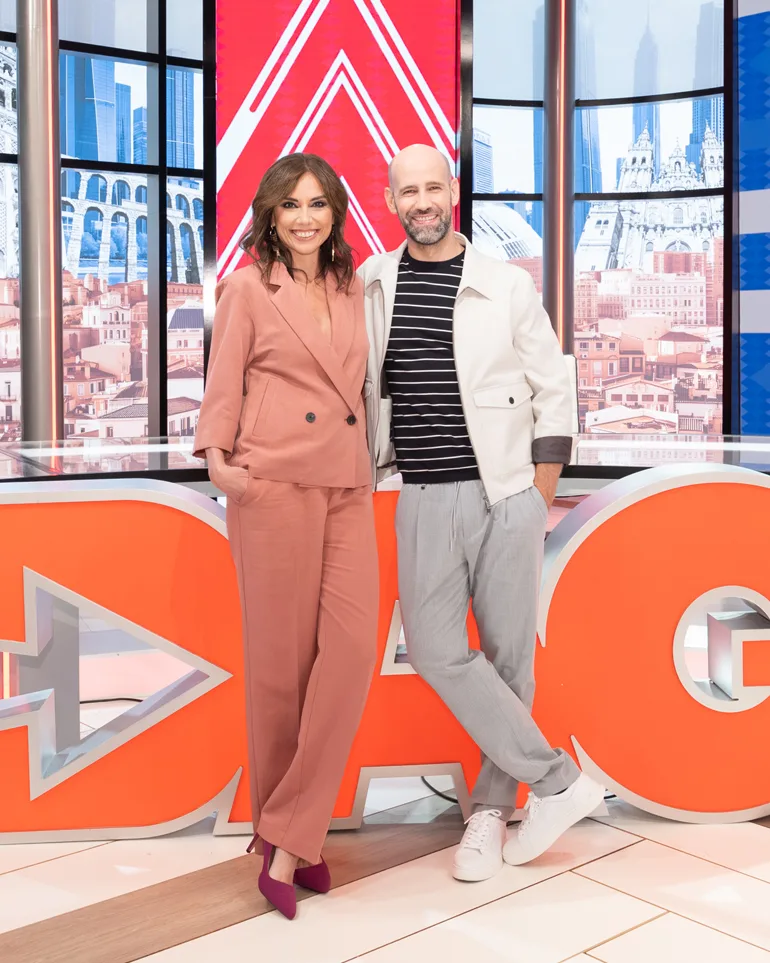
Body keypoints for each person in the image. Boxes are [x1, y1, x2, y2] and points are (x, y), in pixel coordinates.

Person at [360, 144, 604, 882]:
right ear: (391, 200)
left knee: (508, 658)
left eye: (433, 187)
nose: (422, 202)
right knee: (436, 649)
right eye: (408, 191)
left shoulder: (504, 284)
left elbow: (553, 384)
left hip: (505, 492)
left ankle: (491, 812)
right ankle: (558, 782)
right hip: (422, 493)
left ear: (453, 191)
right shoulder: (372, 282)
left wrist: (539, 488)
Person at [193, 153, 378, 919]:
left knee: (352, 651)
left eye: (319, 203)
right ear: (270, 214)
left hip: (347, 483)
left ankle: (288, 830)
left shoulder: (352, 285)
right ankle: (291, 843)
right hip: (271, 482)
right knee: (280, 671)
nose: (306, 217)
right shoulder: (247, 286)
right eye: (292, 204)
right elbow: (224, 379)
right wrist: (219, 462)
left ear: (336, 213)